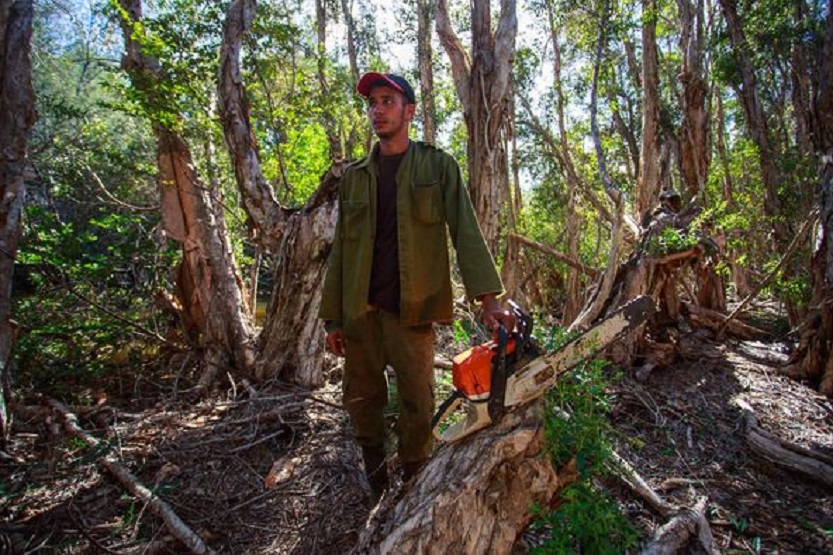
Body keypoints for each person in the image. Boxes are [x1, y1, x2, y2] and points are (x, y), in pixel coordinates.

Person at [318, 72, 514, 502]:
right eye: (372, 103)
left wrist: (489, 299)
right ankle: (375, 490)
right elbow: (342, 253)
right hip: (360, 314)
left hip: (413, 312)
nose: (377, 110)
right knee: (363, 403)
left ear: (409, 110)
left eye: (387, 101)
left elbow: (465, 229)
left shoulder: (437, 166)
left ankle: (412, 490)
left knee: (418, 408)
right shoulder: (355, 176)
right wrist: (333, 317)